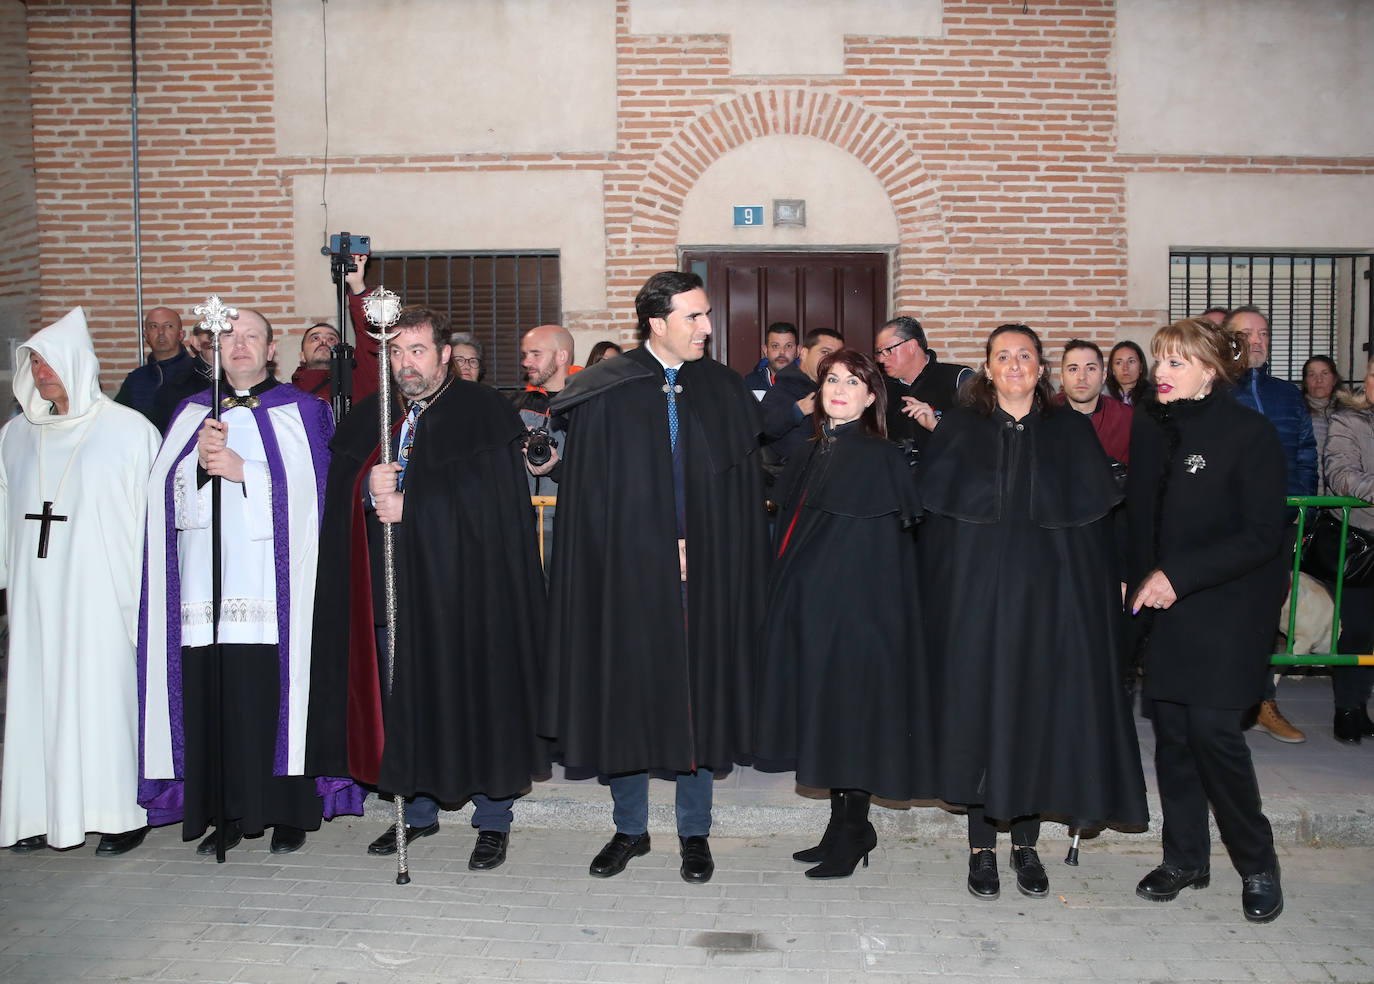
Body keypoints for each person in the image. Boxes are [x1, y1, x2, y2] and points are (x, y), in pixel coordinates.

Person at [542, 270, 769, 885]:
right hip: (626, 573)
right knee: (628, 691)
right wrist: (649, 548)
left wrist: (710, 546)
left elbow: (740, 495)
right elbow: (592, 498)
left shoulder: (722, 389)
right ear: (656, 323)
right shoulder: (605, 390)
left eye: (707, 315)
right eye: (693, 316)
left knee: (700, 693)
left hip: (705, 572)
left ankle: (695, 833)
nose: (707, 327)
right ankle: (630, 829)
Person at [307, 306, 547, 871]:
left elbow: (495, 507)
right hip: (395, 592)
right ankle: (414, 811)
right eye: (395, 352)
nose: (406, 364)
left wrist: (414, 504)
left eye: (417, 351)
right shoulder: (374, 416)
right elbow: (341, 500)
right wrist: (367, 489)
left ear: (444, 355)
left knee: (478, 697)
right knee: (402, 700)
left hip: (468, 594)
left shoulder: (482, 411)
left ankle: (492, 820)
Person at [918, 323, 1147, 902]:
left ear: (1039, 367)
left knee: (1032, 714)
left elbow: (1092, 534)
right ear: (987, 368)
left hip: (1046, 610)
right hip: (972, 608)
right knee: (977, 714)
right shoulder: (959, 430)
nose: (1014, 364)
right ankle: (979, 847)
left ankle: (1024, 842)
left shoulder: (1069, 431)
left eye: (1024, 355)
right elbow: (935, 535)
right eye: (1003, 356)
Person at [139, 308, 362, 857]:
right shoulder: (191, 412)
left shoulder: (303, 410)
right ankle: (227, 809)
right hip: (203, 587)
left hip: (272, 588)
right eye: (228, 338)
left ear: (269, 351)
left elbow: (319, 498)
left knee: (271, 695)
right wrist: (194, 465)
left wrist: (245, 471)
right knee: (214, 696)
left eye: (251, 338)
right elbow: (161, 502)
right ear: (213, 351)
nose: (239, 346)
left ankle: (286, 810)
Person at [1125, 317, 1287, 923]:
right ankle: (1187, 858)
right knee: (1172, 738)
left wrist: (1178, 577)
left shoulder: (1249, 433)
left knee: (1215, 737)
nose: (1159, 372)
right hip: (1166, 608)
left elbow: (1262, 534)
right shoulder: (1152, 428)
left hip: (1229, 607)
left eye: (1174, 362)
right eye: (1159, 360)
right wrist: (1133, 573)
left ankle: (1258, 863)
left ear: (1210, 370)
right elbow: (1142, 518)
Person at [754, 349, 926, 879]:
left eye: (853, 381)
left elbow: (882, 555)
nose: (840, 388)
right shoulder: (812, 451)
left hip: (858, 618)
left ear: (872, 395)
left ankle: (854, 831)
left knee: (852, 721)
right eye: (832, 379)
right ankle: (839, 826)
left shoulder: (881, 457)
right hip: (813, 611)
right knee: (826, 719)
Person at [0, 307, 161, 855]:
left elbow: (145, 520)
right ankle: (38, 812)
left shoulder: (127, 431)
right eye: (34, 362)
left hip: (101, 596)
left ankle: (119, 813)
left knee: (101, 700)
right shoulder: (15, 437)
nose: (42, 371)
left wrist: (144, 594)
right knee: (36, 698)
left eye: (50, 360)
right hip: (34, 597)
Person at [1227, 304, 1317, 743]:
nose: (1257, 341)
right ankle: (1225, 706)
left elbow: (1305, 453)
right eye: (1246, 334)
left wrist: (1299, 509)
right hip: (1226, 530)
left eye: (1263, 333)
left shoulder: (1287, 395)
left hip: (1276, 528)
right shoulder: (1215, 391)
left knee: (1266, 619)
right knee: (1226, 619)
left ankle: (1263, 703)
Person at [1318, 355, 1374, 744]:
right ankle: (1349, 709)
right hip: (1360, 543)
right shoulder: (1347, 421)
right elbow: (1340, 474)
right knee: (1357, 629)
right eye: (1373, 374)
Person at [514, 324, 575, 551]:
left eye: (535, 354)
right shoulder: (515, 406)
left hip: (569, 531)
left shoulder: (586, 407)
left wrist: (556, 468)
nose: (526, 362)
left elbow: (598, 472)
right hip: (521, 529)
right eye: (525, 354)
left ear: (561, 356)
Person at [873, 315, 972, 453]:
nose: (881, 359)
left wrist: (937, 426)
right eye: (879, 353)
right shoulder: (879, 387)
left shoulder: (958, 378)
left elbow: (980, 437)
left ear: (912, 346)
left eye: (887, 351)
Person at [758, 328, 844, 476]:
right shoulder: (783, 389)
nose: (832, 360)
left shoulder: (839, 391)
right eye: (825, 352)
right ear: (804, 353)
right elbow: (762, 429)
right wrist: (797, 411)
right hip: (791, 486)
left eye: (838, 356)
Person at [1056, 339, 1132, 466]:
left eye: (1090, 368)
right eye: (1073, 369)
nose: (1082, 377)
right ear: (1062, 378)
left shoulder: (1127, 418)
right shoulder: (1043, 416)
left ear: (1103, 376)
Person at [114, 306, 193, 421]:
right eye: (154, 326)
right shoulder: (135, 379)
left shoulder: (198, 373)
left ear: (181, 334)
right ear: (146, 335)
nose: (161, 332)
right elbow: (118, 420)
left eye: (168, 326)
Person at [1302, 355, 1356, 488]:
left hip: (1344, 498)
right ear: (1305, 381)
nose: (1318, 380)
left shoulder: (1351, 414)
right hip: (1307, 495)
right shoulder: (1297, 413)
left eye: (1325, 374)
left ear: (1334, 379)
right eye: (1312, 374)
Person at [152, 326, 215, 433]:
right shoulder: (174, 387)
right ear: (196, 343)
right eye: (212, 337)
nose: (221, 343)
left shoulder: (247, 377)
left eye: (228, 336)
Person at [290, 322, 342, 402]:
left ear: (341, 354)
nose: (324, 341)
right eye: (315, 338)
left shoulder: (356, 386)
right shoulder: (287, 395)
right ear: (302, 356)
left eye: (331, 339)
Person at [744, 322, 798, 398]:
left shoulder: (810, 385)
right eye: (775, 346)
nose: (782, 352)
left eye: (788, 346)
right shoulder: (750, 384)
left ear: (798, 350)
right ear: (765, 350)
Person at [1106, 340, 1154, 406]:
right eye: (1119, 363)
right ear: (1112, 369)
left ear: (1141, 367)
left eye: (1131, 361)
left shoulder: (1153, 397)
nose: (1125, 367)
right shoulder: (1102, 397)